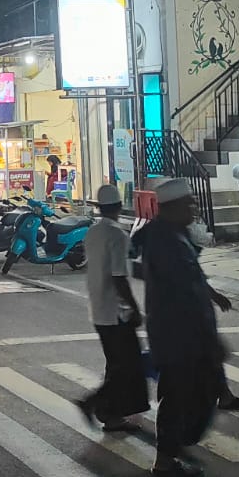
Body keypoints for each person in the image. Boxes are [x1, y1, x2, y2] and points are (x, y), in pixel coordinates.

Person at [141, 179, 230, 477]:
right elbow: (184, 294)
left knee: (186, 394)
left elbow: (194, 280)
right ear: (173, 208)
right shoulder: (167, 242)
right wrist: (209, 338)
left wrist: (213, 296)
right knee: (178, 397)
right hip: (179, 335)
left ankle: (174, 448)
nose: (193, 208)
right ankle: (166, 459)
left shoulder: (172, 236)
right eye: (189, 204)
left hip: (180, 334)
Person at [76, 184, 148, 431]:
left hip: (98, 309)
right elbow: (119, 276)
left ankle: (110, 414)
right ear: (118, 207)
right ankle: (93, 403)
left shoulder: (93, 232)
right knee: (127, 367)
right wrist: (134, 308)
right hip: (116, 312)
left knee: (116, 364)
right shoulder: (117, 235)